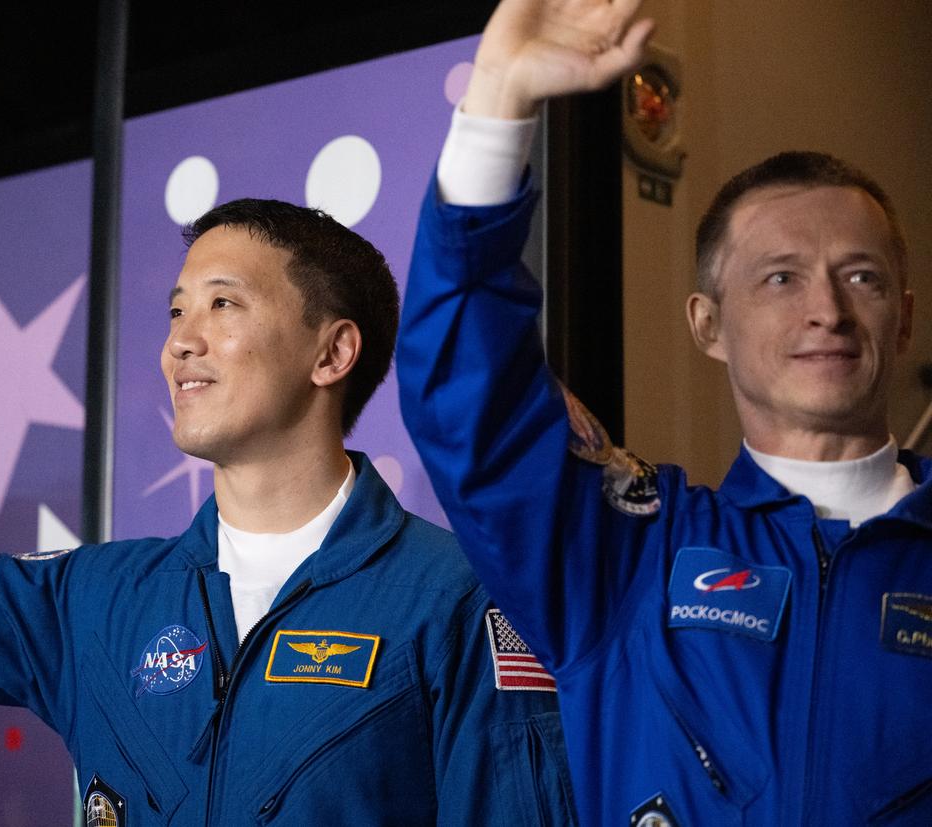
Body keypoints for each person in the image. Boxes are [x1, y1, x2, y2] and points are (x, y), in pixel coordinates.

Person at [0, 180, 577, 824]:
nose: (181, 339)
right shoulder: (100, 604)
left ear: (333, 352)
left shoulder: (456, 602)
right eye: (177, 310)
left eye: (223, 304)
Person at [397, 1, 931, 824]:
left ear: (906, 317)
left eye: (859, 276)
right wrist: (498, 102)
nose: (826, 308)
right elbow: (468, 398)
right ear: (707, 324)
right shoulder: (630, 552)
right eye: (780, 278)